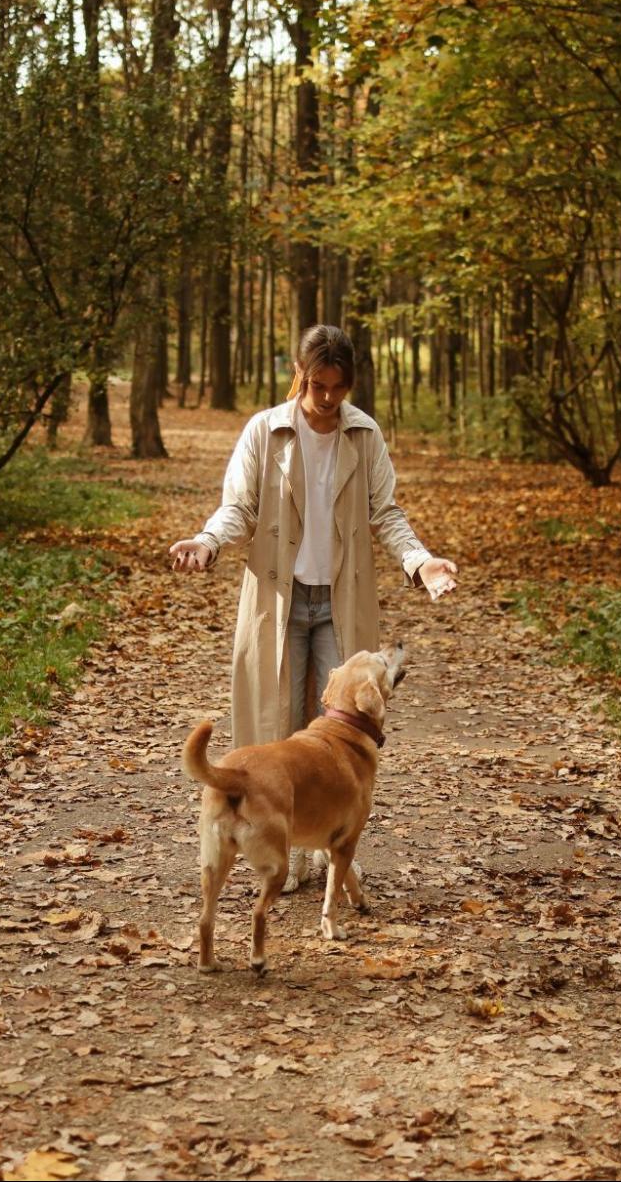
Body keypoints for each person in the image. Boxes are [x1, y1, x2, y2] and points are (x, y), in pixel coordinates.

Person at [168, 325, 458, 884]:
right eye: (318, 386)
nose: (328, 399)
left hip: (340, 599)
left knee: (336, 730)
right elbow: (239, 509)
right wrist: (207, 542)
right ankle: (279, 847)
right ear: (300, 376)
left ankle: (322, 848)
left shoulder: (364, 435)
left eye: (338, 387)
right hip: (278, 598)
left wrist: (421, 561)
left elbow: (386, 512)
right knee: (274, 729)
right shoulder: (264, 431)